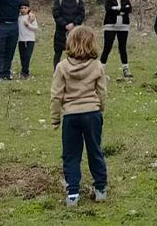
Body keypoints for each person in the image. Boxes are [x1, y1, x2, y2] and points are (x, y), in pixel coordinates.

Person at [51, 25, 107, 207]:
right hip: (92, 113)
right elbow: (102, 92)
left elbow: (56, 95)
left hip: (71, 116)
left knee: (71, 155)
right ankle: (100, 189)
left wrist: (55, 117)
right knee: (95, 151)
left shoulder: (62, 67)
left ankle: (73, 193)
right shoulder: (98, 66)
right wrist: (101, 108)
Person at [101, 0, 132, 79]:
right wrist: (122, 10)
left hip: (123, 26)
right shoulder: (109, 0)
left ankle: (126, 69)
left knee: (122, 48)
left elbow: (129, 10)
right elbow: (109, 10)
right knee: (107, 47)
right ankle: (101, 69)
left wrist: (117, 9)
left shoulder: (126, 0)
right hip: (110, 26)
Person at [52, 0, 86, 69]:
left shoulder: (79, 1)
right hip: (61, 31)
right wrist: (65, 25)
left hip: (75, 31)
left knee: (75, 51)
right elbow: (56, 14)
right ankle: (56, 71)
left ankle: (74, 69)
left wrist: (74, 24)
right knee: (58, 52)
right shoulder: (59, 0)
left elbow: (81, 14)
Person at [17, 3, 39, 79]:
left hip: (30, 40)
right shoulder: (18, 18)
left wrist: (28, 25)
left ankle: (25, 72)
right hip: (21, 40)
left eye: (25, 8)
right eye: (22, 8)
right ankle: (24, 71)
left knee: (27, 56)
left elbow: (35, 28)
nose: (23, 9)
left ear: (28, 8)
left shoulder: (31, 17)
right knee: (22, 56)